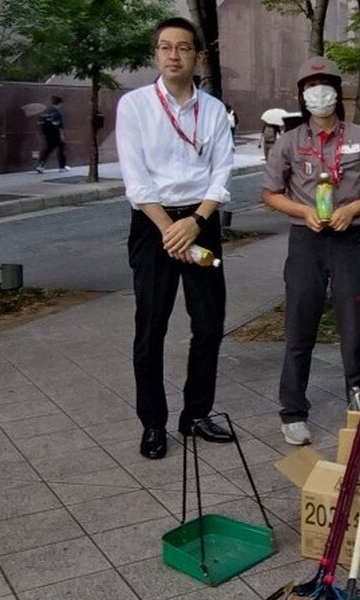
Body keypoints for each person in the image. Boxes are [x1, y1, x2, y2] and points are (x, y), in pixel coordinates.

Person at [115, 17, 236, 460]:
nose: (173, 55)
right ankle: (153, 423)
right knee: (151, 327)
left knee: (209, 323)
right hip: (154, 228)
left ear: (197, 56)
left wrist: (196, 222)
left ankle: (196, 414)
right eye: (165, 47)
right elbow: (136, 179)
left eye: (183, 48)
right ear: (156, 54)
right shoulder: (134, 106)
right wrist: (171, 230)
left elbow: (222, 172)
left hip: (201, 223)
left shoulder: (214, 110)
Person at [262, 56, 360, 446]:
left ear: (337, 91)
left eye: (325, 84)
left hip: (349, 239)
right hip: (306, 240)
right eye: (310, 86)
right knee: (300, 324)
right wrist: (302, 211)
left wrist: (352, 209)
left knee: (355, 324)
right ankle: (293, 411)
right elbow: (270, 193)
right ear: (302, 95)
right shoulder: (290, 141)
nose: (318, 92)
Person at [36, 96, 68, 173]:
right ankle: (62, 167)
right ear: (59, 103)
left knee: (48, 149)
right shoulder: (57, 113)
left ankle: (40, 165)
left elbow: (41, 123)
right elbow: (59, 125)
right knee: (61, 150)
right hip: (56, 133)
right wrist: (62, 135)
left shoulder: (46, 111)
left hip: (48, 134)